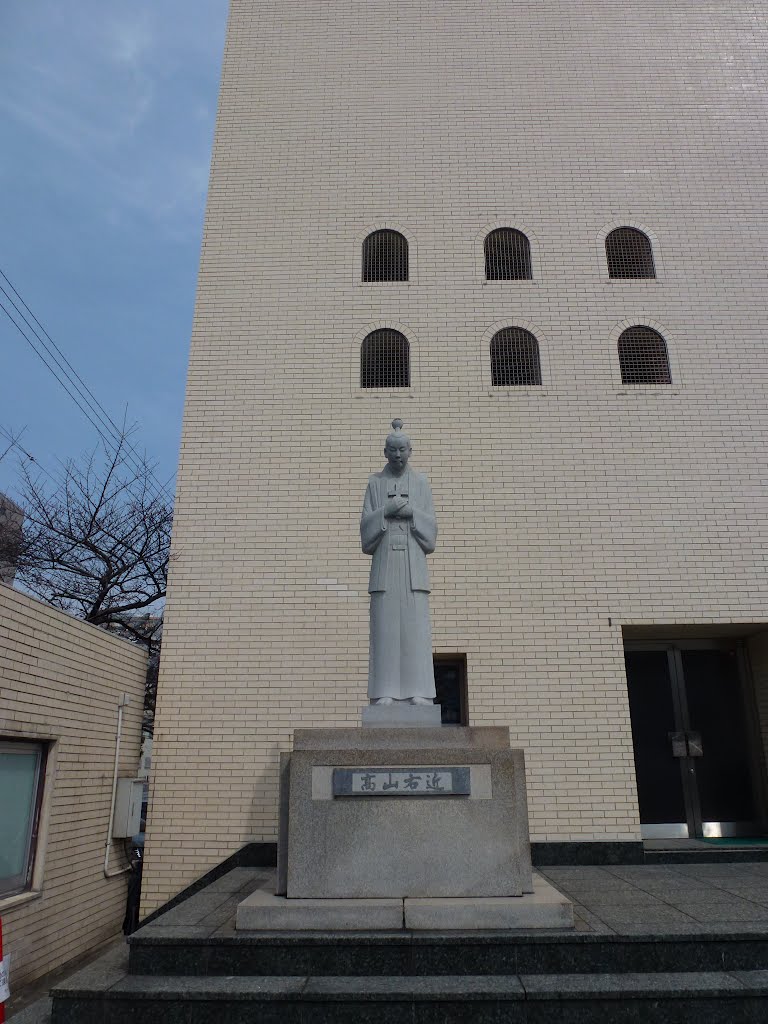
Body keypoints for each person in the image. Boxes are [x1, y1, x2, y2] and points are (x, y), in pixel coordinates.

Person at [361, 419, 437, 704]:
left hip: (412, 567)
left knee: (415, 631)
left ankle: (419, 692)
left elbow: (432, 528)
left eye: (402, 449)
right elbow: (364, 528)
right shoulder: (375, 483)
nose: (397, 455)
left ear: (410, 450)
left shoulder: (421, 482)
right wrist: (385, 511)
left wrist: (411, 515)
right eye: (392, 450)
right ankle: (385, 691)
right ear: (384, 452)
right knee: (386, 630)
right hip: (385, 565)